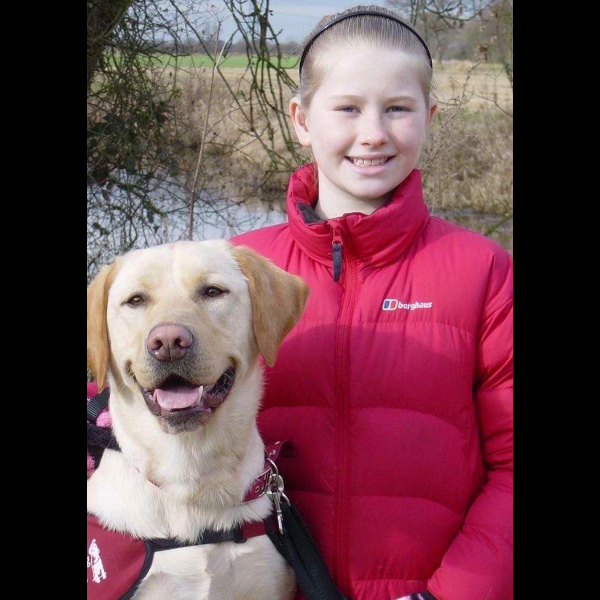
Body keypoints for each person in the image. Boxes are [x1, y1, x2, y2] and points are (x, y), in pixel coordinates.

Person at [231, 5, 513, 600]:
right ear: (302, 119)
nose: (374, 133)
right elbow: (137, 416)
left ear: (429, 118)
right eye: (348, 108)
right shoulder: (233, 271)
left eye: (398, 109)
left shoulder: (485, 272)